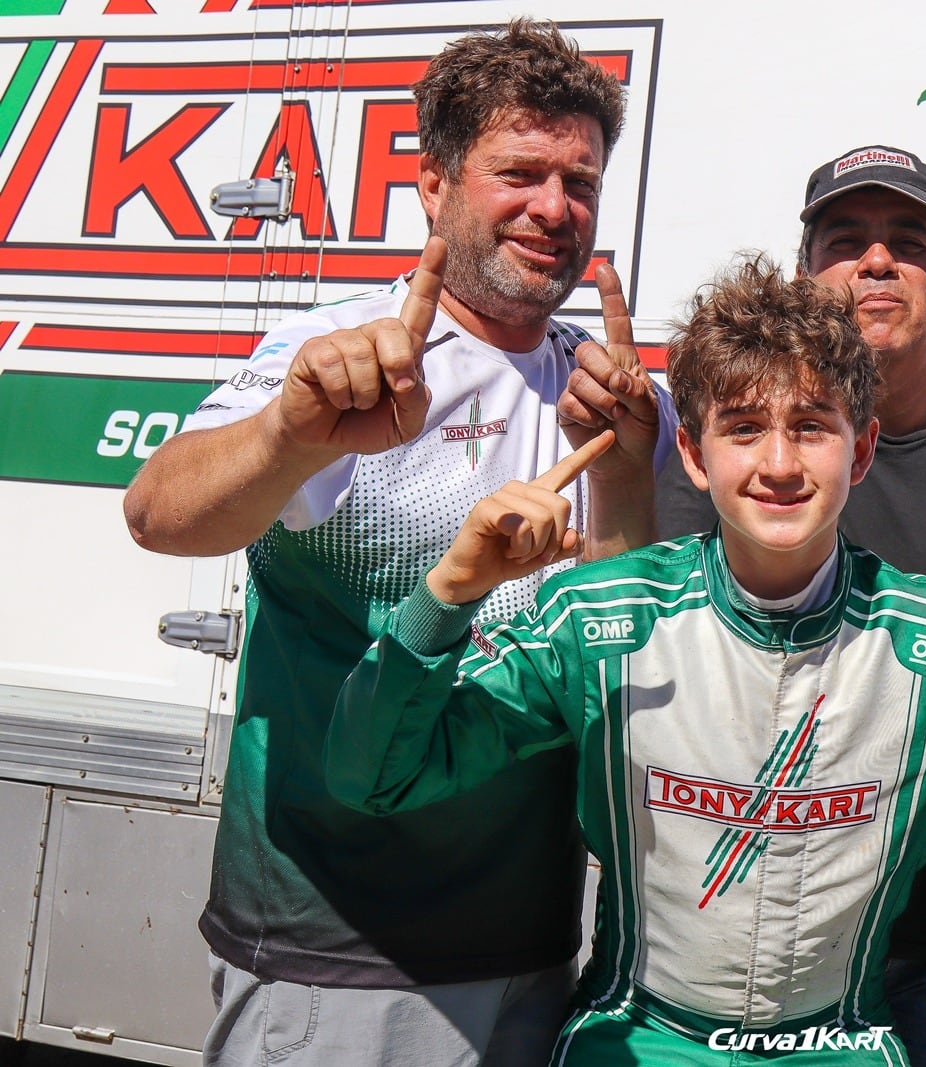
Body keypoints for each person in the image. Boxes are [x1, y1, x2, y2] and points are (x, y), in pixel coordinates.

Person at [323, 256, 926, 1064]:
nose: (781, 463)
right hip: (630, 1043)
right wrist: (445, 595)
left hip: (845, 1047)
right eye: (745, 426)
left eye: (814, 426)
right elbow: (375, 776)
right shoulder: (596, 617)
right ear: (691, 449)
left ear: (863, 449)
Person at [121, 20, 671, 1066]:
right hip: (336, 946)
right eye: (519, 173)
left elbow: (622, 644)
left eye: (580, 182)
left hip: (537, 941)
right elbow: (158, 512)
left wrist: (624, 471)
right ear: (433, 186)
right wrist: (289, 430)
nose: (554, 209)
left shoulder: (618, 394)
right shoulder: (348, 354)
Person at [650, 146, 926, 1065]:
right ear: (805, 278)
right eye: (847, 240)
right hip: (750, 937)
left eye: (909, 242)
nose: (877, 262)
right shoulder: (739, 438)